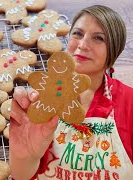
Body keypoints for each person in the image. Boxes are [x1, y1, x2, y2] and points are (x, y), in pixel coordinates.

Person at [10, 5, 133, 180]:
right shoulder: (43, 98)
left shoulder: (130, 102)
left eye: (98, 38)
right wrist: (23, 156)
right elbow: (23, 175)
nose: (82, 45)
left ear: (113, 49)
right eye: (77, 34)